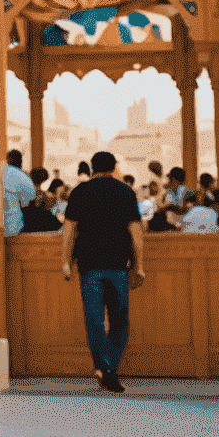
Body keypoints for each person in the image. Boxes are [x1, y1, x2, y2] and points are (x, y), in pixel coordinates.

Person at [60, 150, 144, 393]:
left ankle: (104, 368)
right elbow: (135, 231)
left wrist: (65, 261)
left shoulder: (80, 192)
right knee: (120, 320)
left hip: (89, 266)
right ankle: (109, 370)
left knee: (94, 320)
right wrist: (139, 266)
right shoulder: (125, 192)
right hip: (118, 265)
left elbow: (69, 229)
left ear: (92, 167)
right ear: (114, 167)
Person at [3, 149, 35, 236]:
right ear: (21, 161)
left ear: (7, 160)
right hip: (14, 225)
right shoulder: (23, 176)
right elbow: (30, 199)